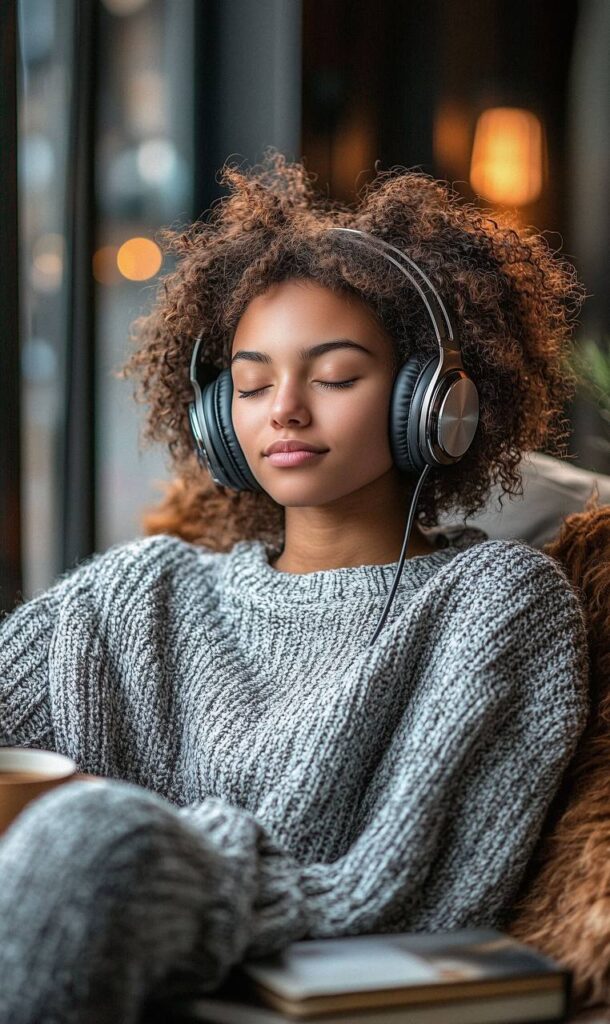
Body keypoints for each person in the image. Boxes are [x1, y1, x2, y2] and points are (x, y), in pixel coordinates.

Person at [0, 148, 591, 1024]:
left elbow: (420, 889)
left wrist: (147, 864)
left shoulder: (497, 602)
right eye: (249, 383)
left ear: (433, 402)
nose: (283, 409)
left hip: (296, 980)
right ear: (217, 421)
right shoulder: (139, 593)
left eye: (336, 376)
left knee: (95, 843)